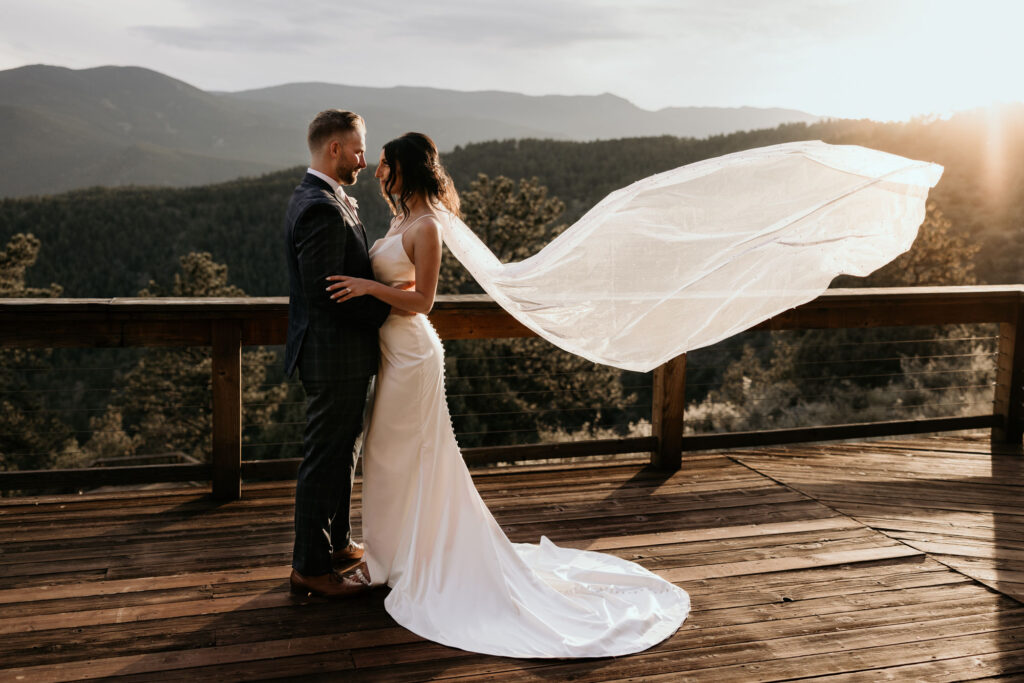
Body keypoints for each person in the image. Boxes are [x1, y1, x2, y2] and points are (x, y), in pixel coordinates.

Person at [324, 132, 691, 658]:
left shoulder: (427, 225)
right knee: (390, 456)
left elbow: (424, 300)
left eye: (385, 165)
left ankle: (391, 563)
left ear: (405, 169)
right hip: (393, 352)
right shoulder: (401, 219)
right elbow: (400, 285)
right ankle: (392, 555)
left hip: (413, 354)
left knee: (396, 454)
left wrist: (366, 288)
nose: (379, 172)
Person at [283, 110, 391, 598]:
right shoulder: (321, 206)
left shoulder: (322, 197)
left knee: (344, 452)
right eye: (358, 149)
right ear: (334, 149)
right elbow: (328, 292)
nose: (364, 160)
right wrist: (386, 315)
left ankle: (340, 543)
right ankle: (309, 567)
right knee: (325, 459)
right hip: (334, 354)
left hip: (341, 353)